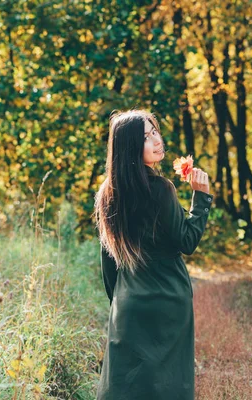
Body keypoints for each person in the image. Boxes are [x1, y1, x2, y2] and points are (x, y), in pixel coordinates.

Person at [93, 109, 214, 399]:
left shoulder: (107, 193)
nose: (157, 141)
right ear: (130, 147)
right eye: (146, 137)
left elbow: (109, 262)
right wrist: (202, 199)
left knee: (123, 387)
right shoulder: (163, 190)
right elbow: (186, 241)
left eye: (155, 132)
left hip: (128, 305)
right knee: (167, 386)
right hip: (169, 302)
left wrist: (120, 301)